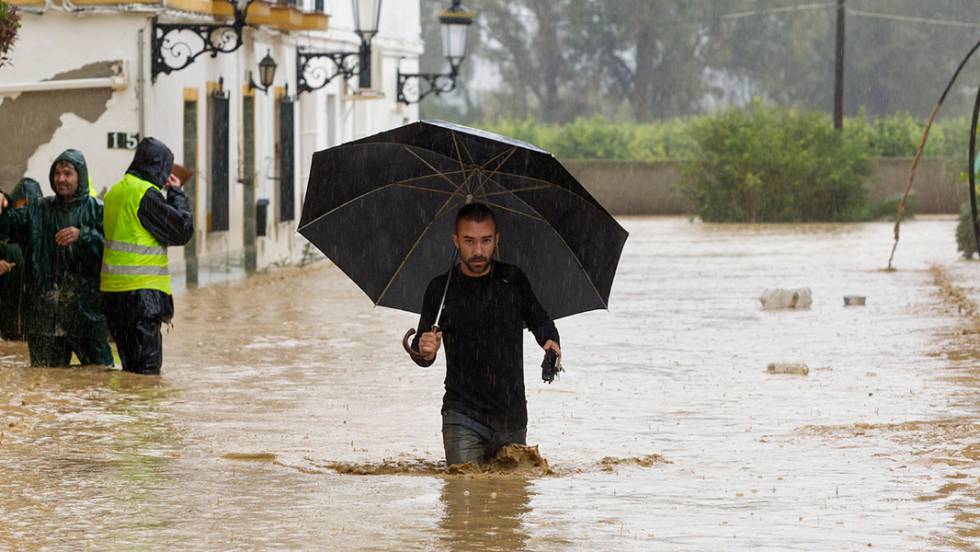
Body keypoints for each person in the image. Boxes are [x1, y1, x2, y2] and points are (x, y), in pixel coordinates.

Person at [409, 202, 561, 466]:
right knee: (464, 495)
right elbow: (422, 351)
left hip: (511, 418)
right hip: (462, 415)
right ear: (456, 241)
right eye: (469, 241)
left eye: (486, 241)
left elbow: (541, 321)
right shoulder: (440, 289)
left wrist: (551, 344)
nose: (478, 251)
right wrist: (424, 350)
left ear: (497, 240)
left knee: (510, 503)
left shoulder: (512, 280)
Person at [0, 151, 113, 366]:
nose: (61, 179)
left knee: (100, 379)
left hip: (86, 315)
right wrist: (3, 202)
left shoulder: (97, 210)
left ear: (80, 176)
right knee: (45, 382)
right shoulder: (38, 209)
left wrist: (84, 236)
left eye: (67, 173)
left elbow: (112, 250)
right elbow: (8, 228)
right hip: (45, 317)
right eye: (57, 173)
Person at [101, 137, 193, 375]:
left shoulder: (115, 191)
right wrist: (177, 194)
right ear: (158, 167)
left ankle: (126, 410)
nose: (165, 178)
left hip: (113, 295)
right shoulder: (144, 194)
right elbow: (181, 231)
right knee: (147, 375)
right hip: (141, 297)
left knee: (130, 370)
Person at [0, 178, 43, 341]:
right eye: (23, 205)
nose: (26, 212)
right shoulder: (5, 237)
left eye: (31, 206)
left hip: (29, 328)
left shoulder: (42, 239)